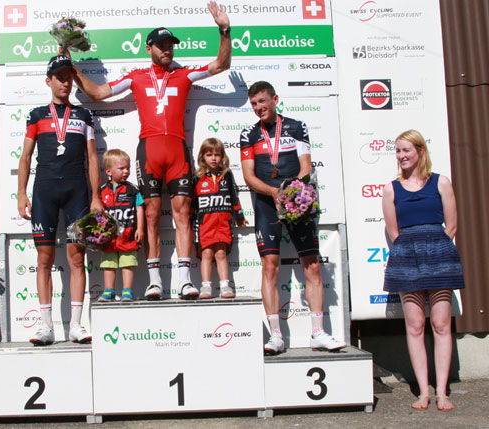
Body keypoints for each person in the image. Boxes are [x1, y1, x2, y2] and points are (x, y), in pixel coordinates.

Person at [65, 1, 231, 300]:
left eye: (171, 45)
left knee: (182, 214)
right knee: (152, 215)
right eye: (162, 45)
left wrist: (224, 30)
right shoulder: (137, 76)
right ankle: (154, 281)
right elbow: (97, 93)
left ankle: (185, 281)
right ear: (149, 48)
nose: (167, 49)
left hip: (177, 149)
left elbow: (221, 65)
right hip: (149, 151)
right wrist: (73, 69)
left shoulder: (184, 74)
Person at [240, 81, 345, 355]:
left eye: (262, 101)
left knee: (312, 266)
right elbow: (249, 176)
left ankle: (318, 333)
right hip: (266, 203)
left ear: (275, 99)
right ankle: (276, 336)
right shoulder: (248, 134)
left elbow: (305, 167)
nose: (258, 108)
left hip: (296, 200)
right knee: (269, 267)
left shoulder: (297, 126)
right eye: (254, 104)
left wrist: (290, 194)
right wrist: (274, 193)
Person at [18, 55, 103, 346]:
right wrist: (21, 193)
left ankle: (76, 325)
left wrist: (96, 196)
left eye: (69, 77)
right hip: (45, 190)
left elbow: (92, 157)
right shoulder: (37, 115)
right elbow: (26, 156)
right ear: (49, 81)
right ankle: (45, 326)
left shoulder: (83, 115)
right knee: (44, 258)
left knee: (77, 257)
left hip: (76, 190)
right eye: (60, 78)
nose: (65, 83)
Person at [382, 130, 464, 411]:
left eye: (406, 150)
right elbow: (393, 231)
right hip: (406, 258)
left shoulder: (441, 182)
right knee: (415, 326)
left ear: (420, 151)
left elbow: (452, 225)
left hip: (440, 257)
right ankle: (423, 393)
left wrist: (435, 248)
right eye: (397, 150)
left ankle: (442, 392)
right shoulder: (391, 189)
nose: (401, 156)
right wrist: (409, 250)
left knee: (441, 325)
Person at [192, 138, 247, 299]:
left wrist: (239, 215)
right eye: (209, 155)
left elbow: (234, 196)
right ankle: (206, 286)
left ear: (222, 156)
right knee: (207, 253)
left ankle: (225, 286)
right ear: (202, 157)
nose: (213, 158)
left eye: (217, 155)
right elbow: (192, 203)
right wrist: (190, 219)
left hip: (223, 223)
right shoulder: (197, 177)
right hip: (205, 224)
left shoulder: (227, 175)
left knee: (221, 253)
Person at [97, 149, 145, 302]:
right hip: (108, 238)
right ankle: (109, 290)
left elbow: (139, 209)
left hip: (128, 235)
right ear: (108, 171)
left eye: (128, 168)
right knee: (109, 264)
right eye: (122, 168)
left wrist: (140, 228)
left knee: (127, 263)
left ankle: (127, 291)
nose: (126, 171)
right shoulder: (101, 191)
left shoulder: (133, 189)